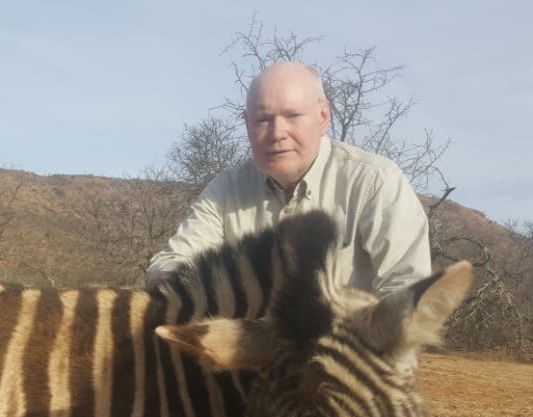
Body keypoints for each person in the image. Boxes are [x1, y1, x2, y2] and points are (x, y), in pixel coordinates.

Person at [147, 62, 431, 295]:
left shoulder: (376, 182)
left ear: (324, 117)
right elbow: (169, 266)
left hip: (349, 354)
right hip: (250, 354)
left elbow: (409, 291)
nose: (276, 133)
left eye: (293, 116)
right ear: (247, 124)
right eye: (262, 120)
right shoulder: (226, 190)